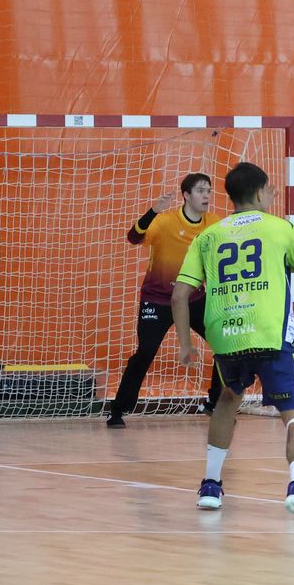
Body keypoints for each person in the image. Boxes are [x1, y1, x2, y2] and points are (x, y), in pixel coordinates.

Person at [173, 162, 294, 518]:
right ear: (260, 193)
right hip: (270, 337)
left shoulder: (207, 236)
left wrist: (185, 343)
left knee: (228, 398)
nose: (273, 194)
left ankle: (210, 486)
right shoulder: (281, 229)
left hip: (226, 336)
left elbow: (180, 296)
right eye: (271, 189)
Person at [107, 173, 223, 426]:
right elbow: (133, 238)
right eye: (201, 191)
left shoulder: (214, 223)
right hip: (157, 300)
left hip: (193, 298)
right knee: (146, 351)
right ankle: (118, 409)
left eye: (209, 191)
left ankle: (215, 403)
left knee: (225, 345)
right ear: (186, 195)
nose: (206, 196)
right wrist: (152, 211)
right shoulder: (164, 221)